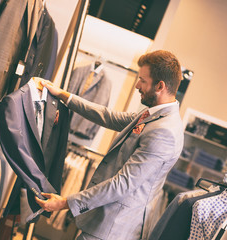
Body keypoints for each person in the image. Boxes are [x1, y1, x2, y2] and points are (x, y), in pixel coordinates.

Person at [35, 50, 184, 240]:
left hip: (113, 229)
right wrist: (64, 96)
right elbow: (109, 116)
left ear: (160, 85)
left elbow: (123, 184)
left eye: (142, 81)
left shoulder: (164, 131)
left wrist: (66, 203)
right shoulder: (153, 116)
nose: (137, 85)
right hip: (107, 223)